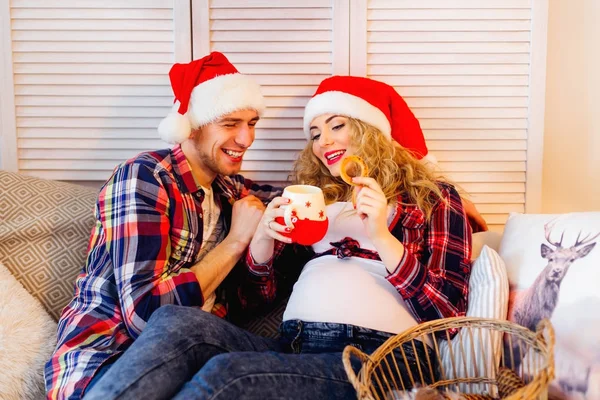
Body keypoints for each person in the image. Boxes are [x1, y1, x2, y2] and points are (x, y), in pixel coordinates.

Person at [84, 76, 472, 400]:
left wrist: (384, 239)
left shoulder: (432, 198)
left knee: (229, 374)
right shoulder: (318, 202)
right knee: (176, 322)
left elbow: (449, 316)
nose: (323, 143)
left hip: (382, 358)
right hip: (296, 347)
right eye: (315, 133)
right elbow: (254, 301)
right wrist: (261, 248)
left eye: (337, 125)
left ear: (373, 131)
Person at [44, 52, 285, 399]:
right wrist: (235, 242)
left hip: (195, 365)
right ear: (192, 124)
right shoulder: (145, 178)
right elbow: (145, 315)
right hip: (109, 360)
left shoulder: (232, 192)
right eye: (231, 124)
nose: (247, 139)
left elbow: (250, 302)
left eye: (252, 123)